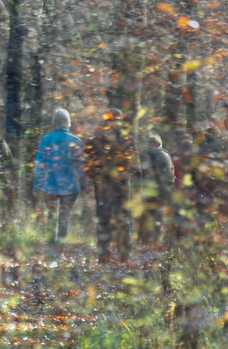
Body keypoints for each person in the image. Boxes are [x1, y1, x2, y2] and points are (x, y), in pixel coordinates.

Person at [85, 108, 135, 263]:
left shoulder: (94, 140)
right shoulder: (127, 140)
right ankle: (124, 255)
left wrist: (95, 177)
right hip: (119, 188)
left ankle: (104, 255)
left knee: (103, 219)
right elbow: (133, 165)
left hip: (103, 188)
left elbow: (88, 166)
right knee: (121, 220)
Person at [33, 108, 85, 245]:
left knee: (51, 215)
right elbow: (81, 166)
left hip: (49, 185)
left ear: (54, 123)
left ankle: (51, 244)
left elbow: (40, 163)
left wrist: (36, 185)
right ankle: (61, 246)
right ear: (69, 123)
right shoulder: (76, 141)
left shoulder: (46, 140)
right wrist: (85, 184)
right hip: (70, 186)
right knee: (64, 217)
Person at [139, 132, 178, 244]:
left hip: (148, 192)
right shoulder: (164, 155)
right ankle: (155, 242)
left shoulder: (143, 155)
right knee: (157, 217)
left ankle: (144, 242)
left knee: (146, 216)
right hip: (160, 193)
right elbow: (169, 177)